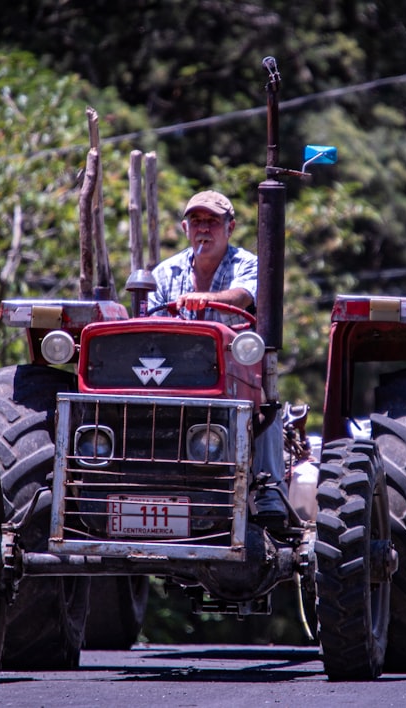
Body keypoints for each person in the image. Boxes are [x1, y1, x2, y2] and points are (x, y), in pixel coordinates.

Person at [147, 190, 289, 529]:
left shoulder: (248, 265)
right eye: (196, 222)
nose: (204, 230)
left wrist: (205, 299)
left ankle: (269, 488)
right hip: (175, 376)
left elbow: (242, 296)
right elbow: (149, 320)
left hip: (230, 375)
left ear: (230, 228)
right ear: (185, 229)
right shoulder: (165, 273)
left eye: (213, 222)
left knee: (265, 399)